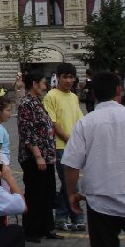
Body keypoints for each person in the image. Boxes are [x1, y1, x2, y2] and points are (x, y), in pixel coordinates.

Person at [62, 71, 125, 247]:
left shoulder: (85, 123)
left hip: (100, 199)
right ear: (119, 90)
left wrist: (71, 193)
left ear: (94, 94)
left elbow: (72, 164)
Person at [17, 71, 62, 243]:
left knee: (48, 192)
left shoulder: (38, 102)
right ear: (35, 84)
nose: (46, 85)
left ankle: (46, 227)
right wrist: (37, 155)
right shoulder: (26, 103)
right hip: (34, 157)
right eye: (43, 82)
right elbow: (27, 132)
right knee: (35, 193)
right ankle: (31, 230)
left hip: (47, 155)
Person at [44, 62, 85, 232]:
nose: (68, 80)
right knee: (70, 183)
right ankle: (75, 217)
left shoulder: (74, 97)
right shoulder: (51, 96)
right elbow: (52, 124)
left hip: (74, 146)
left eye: (71, 77)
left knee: (69, 183)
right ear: (58, 78)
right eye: (65, 77)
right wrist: (70, 140)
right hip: (60, 146)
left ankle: (62, 217)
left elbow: (80, 121)